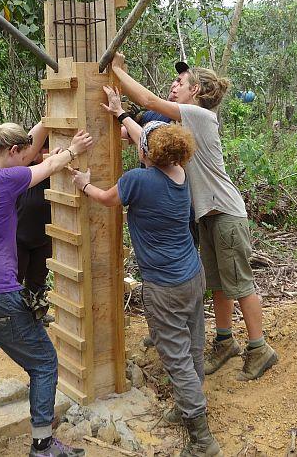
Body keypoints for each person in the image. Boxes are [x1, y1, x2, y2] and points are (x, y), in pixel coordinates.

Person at [106, 52, 279, 382]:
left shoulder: (199, 115)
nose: (175, 86)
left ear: (195, 90)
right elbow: (147, 139)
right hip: (210, 215)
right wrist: (122, 118)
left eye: (181, 82)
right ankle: (226, 341)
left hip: (226, 213)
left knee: (240, 284)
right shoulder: (181, 123)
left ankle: (259, 349)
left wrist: (116, 70)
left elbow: (145, 98)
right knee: (218, 283)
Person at [70, 119, 221, 457]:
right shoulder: (180, 174)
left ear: (147, 152)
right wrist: (124, 116)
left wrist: (83, 184)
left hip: (164, 285)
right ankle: (187, 409)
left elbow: (107, 199)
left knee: (177, 359)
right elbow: (151, 145)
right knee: (193, 347)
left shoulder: (137, 180)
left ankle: (202, 440)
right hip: (192, 276)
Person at [0, 122, 93, 457]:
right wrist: (74, 149)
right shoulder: (7, 178)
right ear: (11, 152)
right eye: (21, 154)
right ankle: (42, 444)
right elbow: (49, 166)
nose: (25, 160)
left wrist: (48, 158)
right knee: (43, 363)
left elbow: (36, 166)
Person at [16, 135, 54, 325]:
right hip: (18, 240)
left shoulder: (55, 174)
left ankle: (38, 313)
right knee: (15, 280)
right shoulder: (24, 171)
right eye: (40, 150)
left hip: (44, 238)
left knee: (38, 280)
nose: (43, 154)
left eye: (45, 150)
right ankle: (15, 318)